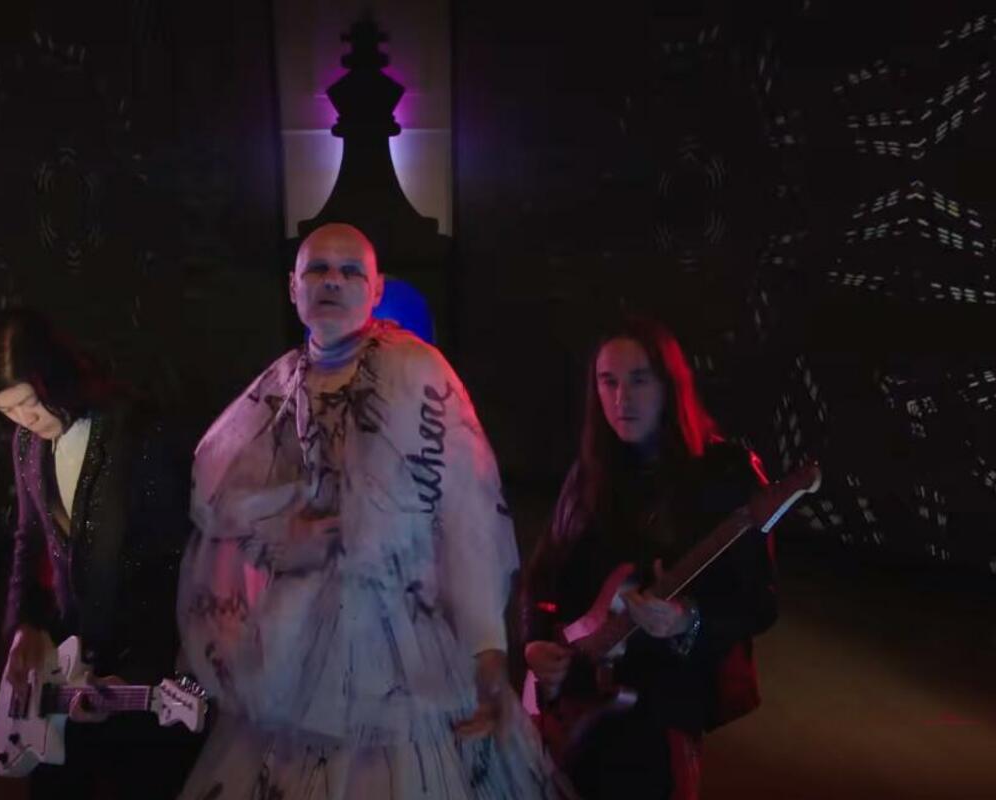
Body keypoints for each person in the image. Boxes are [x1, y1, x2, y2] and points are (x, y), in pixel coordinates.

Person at [175, 223, 571, 799]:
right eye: (318, 269)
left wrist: (487, 648)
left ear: (376, 288)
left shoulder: (417, 373)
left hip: (402, 641)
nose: (332, 282)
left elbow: (465, 510)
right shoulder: (278, 386)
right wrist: (283, 534)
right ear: (293, 286)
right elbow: (224, 501)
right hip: (295, 646)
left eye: (350, 271)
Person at [522, 316, 777, 800]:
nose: (622, 398)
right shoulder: (589, 475)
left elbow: (759, 604)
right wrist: (535, 643)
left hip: (660, 719)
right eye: (608, 381)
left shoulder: (723, 475)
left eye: (639, 380)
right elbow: (541, 577)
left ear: (670, 385)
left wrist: (687, 621)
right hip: (574, 702)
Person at [0, 308, 201, 798]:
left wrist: (138, 667)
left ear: (56, 376)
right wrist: (26, 623)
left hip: (141, 665)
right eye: (8, 410)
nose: (24, 419)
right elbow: (30, 540)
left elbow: (171, 560)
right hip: (69, 663)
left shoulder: (135, 430)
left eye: (29, 403)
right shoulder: (27, 444)